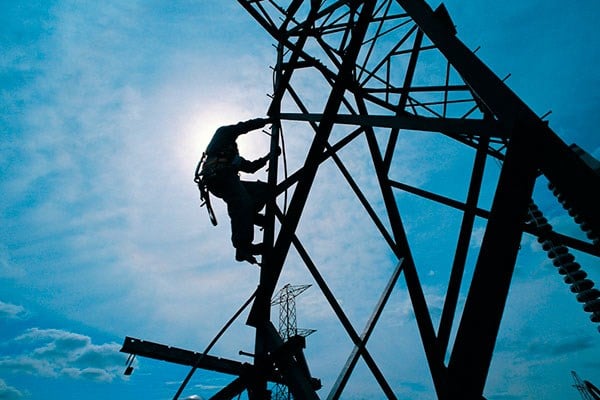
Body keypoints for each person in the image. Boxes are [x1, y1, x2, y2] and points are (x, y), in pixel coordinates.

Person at [199, 117, 278, 265]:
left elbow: (250, 167)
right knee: (241, 202)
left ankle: (252, 216)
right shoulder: (222, 135)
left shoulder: (231, 154)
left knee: (263, 190)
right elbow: (242, 127)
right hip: (218, 177)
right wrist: (266, 121)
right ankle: (243, 247)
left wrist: (268, 157)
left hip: (227, 177)